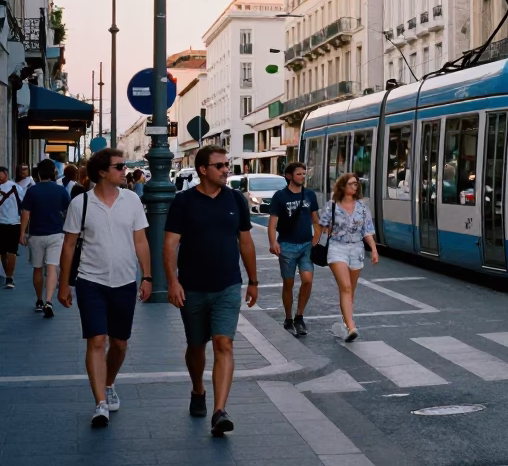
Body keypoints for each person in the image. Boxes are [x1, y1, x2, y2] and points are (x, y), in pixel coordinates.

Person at [164, 145, 259, 436]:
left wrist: (253, 281)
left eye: (227, 165)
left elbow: (245, 242)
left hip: (227, 285)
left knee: (224, 344)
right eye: (219, 166)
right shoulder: (183, 202)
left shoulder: (236, 200)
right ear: (203, 170)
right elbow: (169, 245)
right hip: (192, 286)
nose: (226, 170)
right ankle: (197, 389)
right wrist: (172, 281)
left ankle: (219, 411)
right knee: (196, 346)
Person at [57, 149, 152, 428]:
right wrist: (64, 285)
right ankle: (100, 403)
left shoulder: (132, 200)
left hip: (124, 281)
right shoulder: (81, 203)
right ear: (102, 172)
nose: (125, 171)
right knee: (97, 341)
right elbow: (69, 246)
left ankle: (109, 382)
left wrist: (147, 277)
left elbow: (142, 242)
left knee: (119, 344)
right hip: (90, 281)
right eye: (119, 166)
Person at [315, 172, 379, 342]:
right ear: (343, 186)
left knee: (351, 290)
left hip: (357, 249)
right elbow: (322, 228)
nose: (354, 186)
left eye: (356, 184)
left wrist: (373, 249)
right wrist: (315, 246)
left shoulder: (362, 208)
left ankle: (346, 320)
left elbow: (367, 231)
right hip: (337, 248)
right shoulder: (332, 206)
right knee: (346, 287)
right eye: (351, 183)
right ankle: (352, 327)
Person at [267, 161, 319, 336]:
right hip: (287, 246)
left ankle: (299, 316)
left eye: (304, 174)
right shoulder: (280, 196)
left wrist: (316, 240)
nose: (302, 177)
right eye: (299, 174)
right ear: (289, 176)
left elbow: (316, 220)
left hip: (306, 245)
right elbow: (272, 223)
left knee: (307, 280)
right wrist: (273, 242)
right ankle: (288, 318)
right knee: (288, 283)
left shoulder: (310, 195)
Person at [20, 158, 70, 316]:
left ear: (39, 174)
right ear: (54, 173)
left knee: (37, 268)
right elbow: (68, 212)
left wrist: (21, 233)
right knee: (52, 268)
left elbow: (26, 213)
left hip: (36, 235)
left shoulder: (32, 191)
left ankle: (39, 300)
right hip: (56, 233)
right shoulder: (61, 190)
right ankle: (49, 301)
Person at [0, 166, 24, 289]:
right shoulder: (17, 187)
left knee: (10, 251)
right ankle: (8, 276)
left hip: (13, 222)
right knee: (5, 252)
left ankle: (9, 277)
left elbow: (23, 205)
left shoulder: (15, 187)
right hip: (8, 223)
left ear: (6, 174)